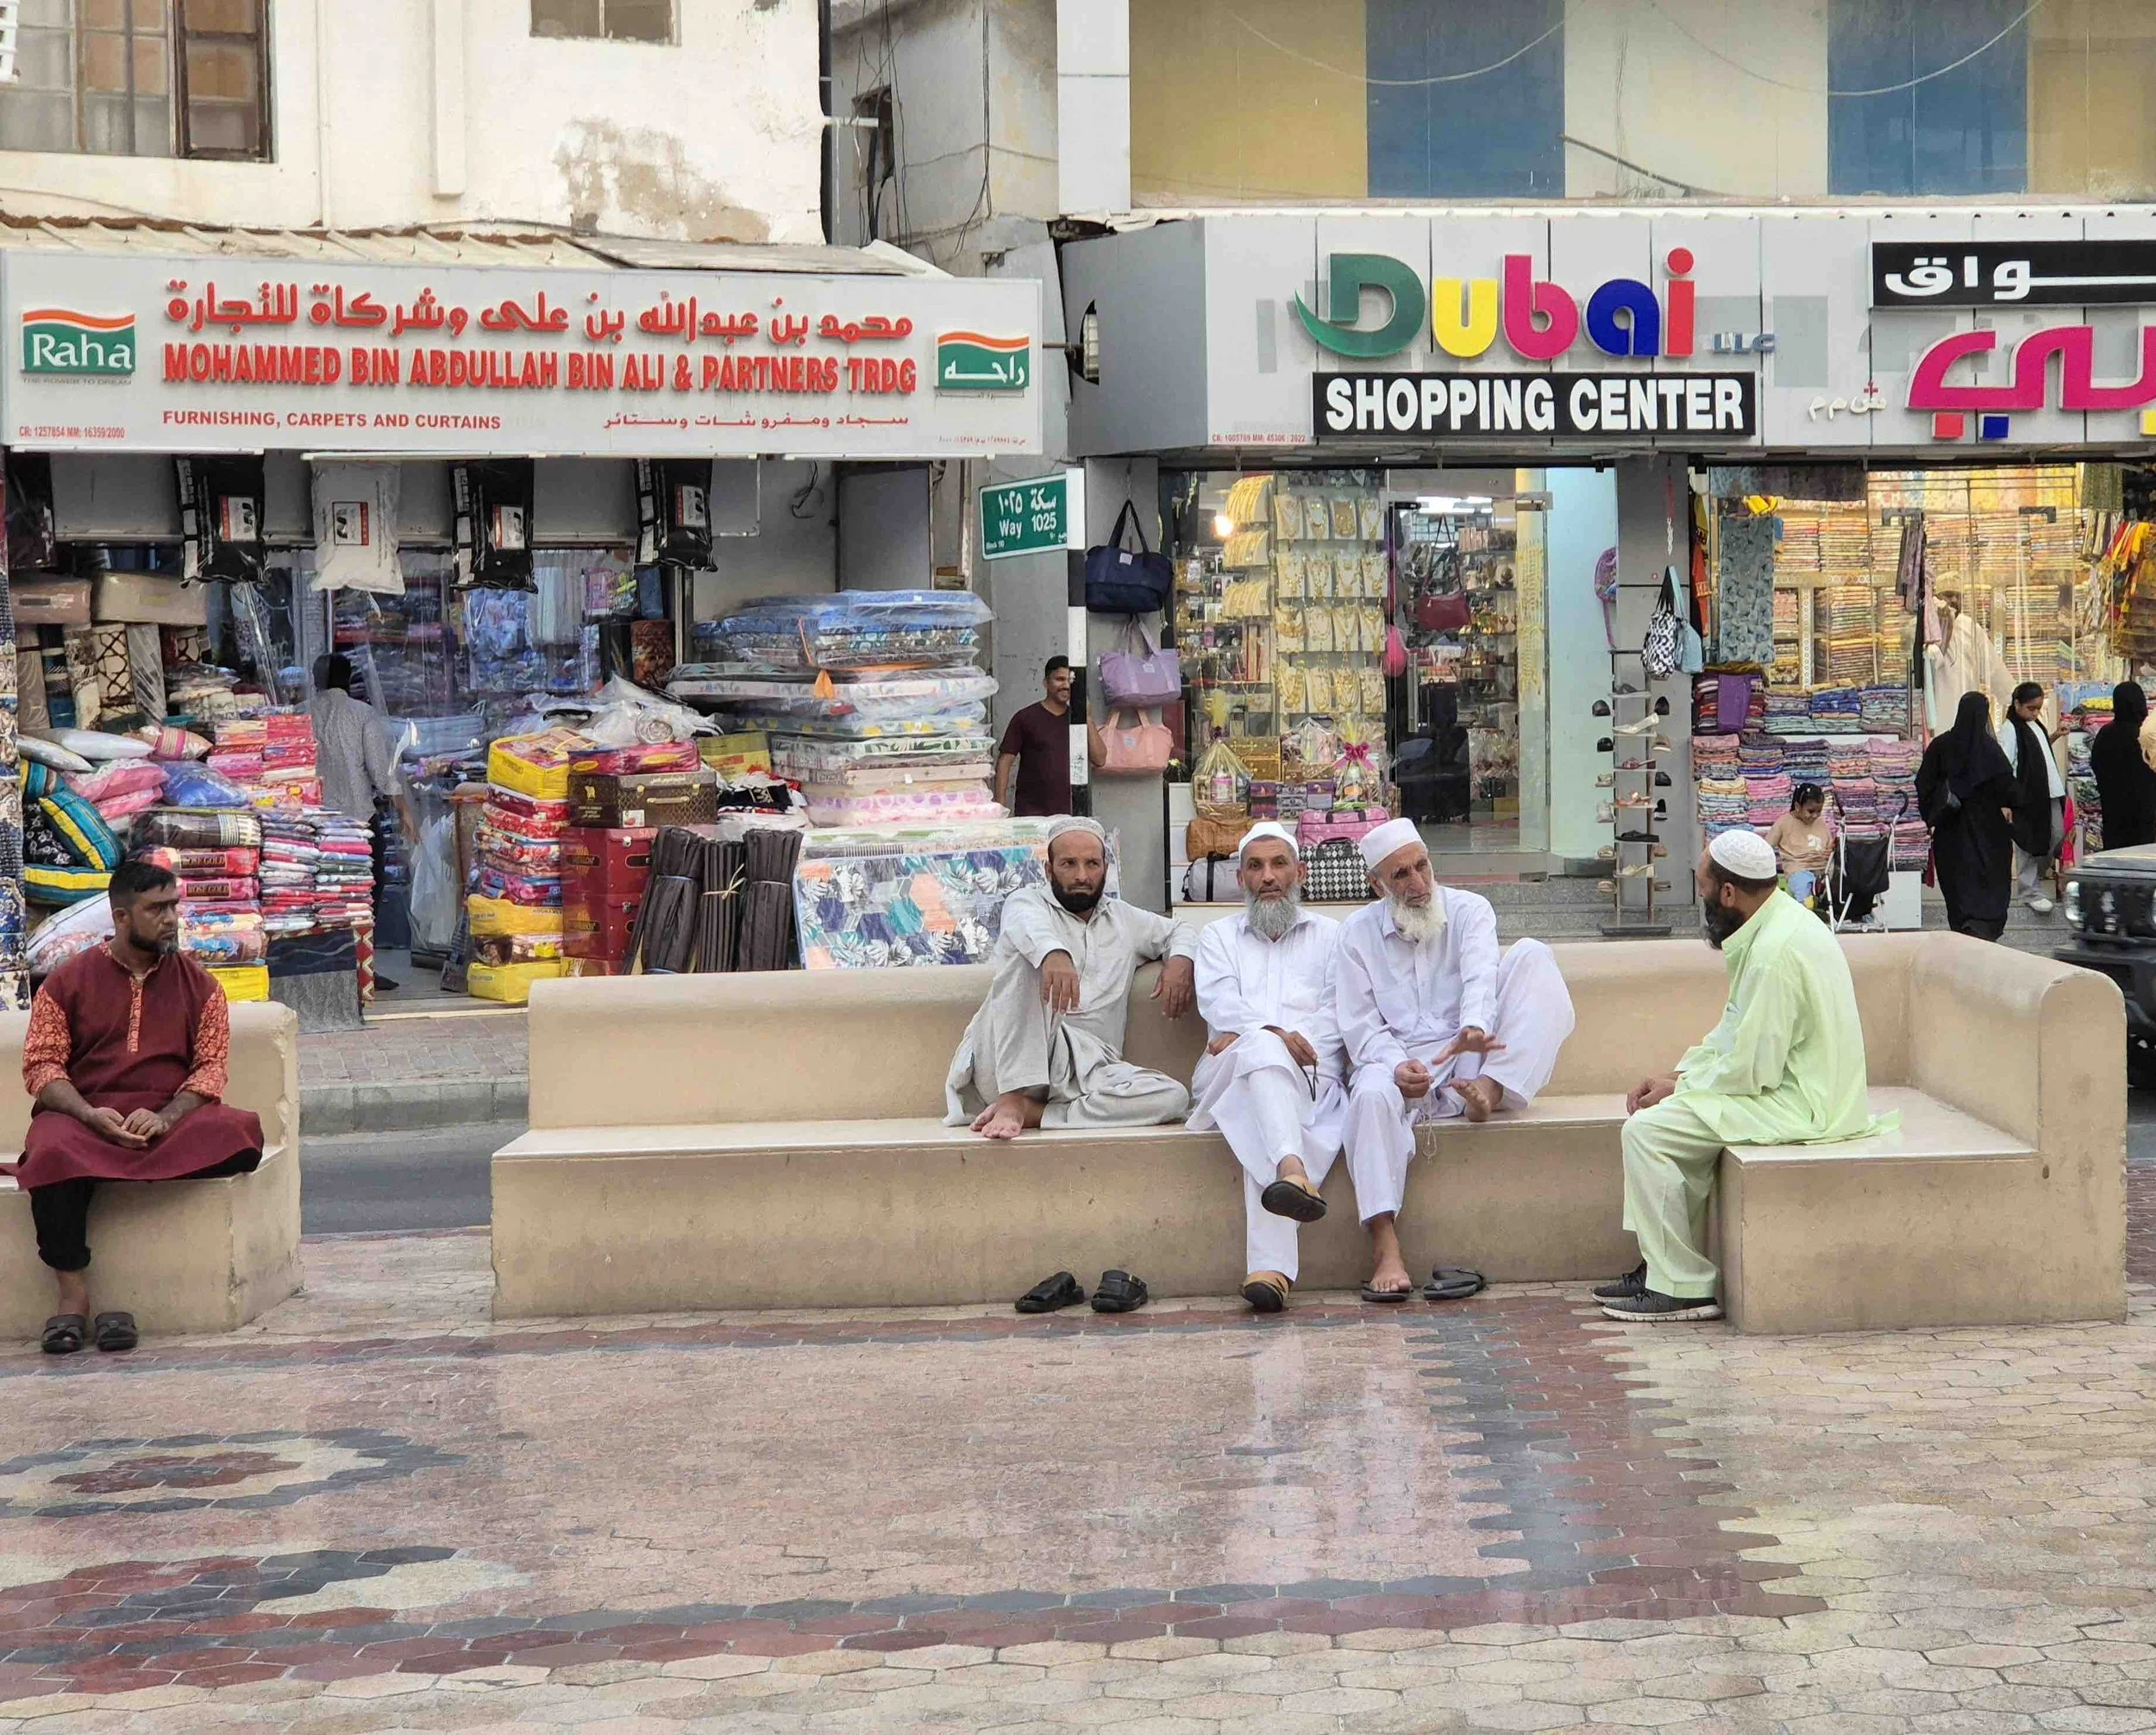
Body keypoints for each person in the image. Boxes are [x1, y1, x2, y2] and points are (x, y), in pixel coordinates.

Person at [1598, 830, 1889, 1324]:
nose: (1704, 900)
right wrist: (1679, 1076)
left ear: (1728, 893)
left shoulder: (1777, 951)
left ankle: (1682, 1287)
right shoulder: (1776, 924)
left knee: (1647, 1133)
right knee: (1666, 1118)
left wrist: (1683, 1090)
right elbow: (1734, 1029)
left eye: (1704, 888)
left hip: (1804, 1104)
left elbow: (1754, 1069)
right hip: (1792, 1089)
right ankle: (1661, 1270)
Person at [7, 859, 267, 1356]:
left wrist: (166, 1117)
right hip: (87, 1118)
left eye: (174, 906)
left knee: (239, 1133)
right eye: (157, 909)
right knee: (51, 1151)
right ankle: (73, 1296)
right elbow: (41, 1069)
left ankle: (125, 1159)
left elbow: (210, 1069)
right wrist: (89, 1115)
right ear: (121, 917)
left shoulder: (202, 986)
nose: (171, 918)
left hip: (166, 1121)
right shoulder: (66, 982)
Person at [1333, 817, 1577, 1300]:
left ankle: (1489, 1093)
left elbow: (1481, 977)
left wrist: (1474, 1030)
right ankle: (1385, 1243)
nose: (1418, 883)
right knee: (1367, 1095)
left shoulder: (1470, 910)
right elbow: (1360, 1024)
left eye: (1421, 866)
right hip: (1399, 1069)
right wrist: (1395, 1064)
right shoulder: (1355, 935)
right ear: (1377, 884)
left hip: (1472, 1060)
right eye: (1400, 875)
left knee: (1532, 956)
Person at [945, 816, 1197, 1138]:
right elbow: (1027, 928)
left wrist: (1179, 961)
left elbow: (1181, 930)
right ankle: (1012, 1097)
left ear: (1106, 868)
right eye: (1068, 864)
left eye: (1092, 863)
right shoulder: (1027, 903)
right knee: (1025, 961)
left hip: (1086, 1070)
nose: (1082, 875)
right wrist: (1053, 953)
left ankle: (1037, 1113)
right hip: (1007, 1062)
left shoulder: (1125, 920)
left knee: (1173, 1098)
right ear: (1048, 870)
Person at [1188, 823, 1346, 1314]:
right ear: (1240, 878)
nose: (1268, 876)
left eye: (1279, 864)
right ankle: (1292, 1169)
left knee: (1260, 1070)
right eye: (1255, 867)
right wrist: (1278, 1036)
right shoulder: (1216, 936)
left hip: (1308, 1075)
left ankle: (1272, 1266)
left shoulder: (1332, 936)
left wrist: (1265, 1038)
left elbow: (1338, 1011)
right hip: (1223, 1075)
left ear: (1299, 872)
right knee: (1260, 1052)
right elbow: (1219, 1006)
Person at [309, 654, 417, 990]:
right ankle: (362, 971)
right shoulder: (362, 715)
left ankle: (327, 969)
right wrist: (405, 813)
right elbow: (383, 775)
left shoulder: (303, 714)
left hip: (314, 824)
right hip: (357, 821)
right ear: (348, 679)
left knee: (323, 898)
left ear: (315, 682)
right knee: (364, 898)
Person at [1918, 691, 2023, 942]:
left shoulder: (1941, 746)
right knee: (1990, 879)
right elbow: (2010, 790)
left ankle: (1965, 927)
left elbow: (1923, 784)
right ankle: (1984, 928)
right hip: (1989, 833)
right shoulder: (1991, 751)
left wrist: (1934, 811)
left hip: (1952, 832)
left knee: (1958, 881)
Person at [994, 658, 1106, 817]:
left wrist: (1086, 717)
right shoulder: (1025, 718)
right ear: (1046, 683)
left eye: (1070, 681)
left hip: (1072, 814)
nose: (1066, 686)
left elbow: (1100, 759)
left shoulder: (1078, 722)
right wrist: (1000, 808)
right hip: (1032, 814)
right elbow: (1005, 762)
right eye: (1059, 679)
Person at [1999, 680, 2067, 913]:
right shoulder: (2010, 728)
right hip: (2027, 796)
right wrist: (2005, 801)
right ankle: (2029, 890)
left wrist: (2055, 736)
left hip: (2048, 792)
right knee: (2027, 842)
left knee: (2055, 834)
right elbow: (2005, 765)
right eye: (2031, 708)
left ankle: (2037, 879)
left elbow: (2037, 750)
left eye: (2038, 708)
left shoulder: (2034, 724)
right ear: (2017, 704)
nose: (2035, 712)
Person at [2091, 680, 2156, 852]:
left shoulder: (2105, 733)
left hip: (2114, 809)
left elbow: (2096, 765)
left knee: (2116, 855)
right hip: (2147, 809)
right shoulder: (2148, 734)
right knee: (2144, 856)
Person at [1764, 783, 1833, 909]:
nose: (1815, 816)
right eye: (1811, 811)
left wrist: (1831, 852)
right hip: (1798, 870)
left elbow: (1830, 846)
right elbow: (1764, 848)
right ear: (1797, 806)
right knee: (1806, 899)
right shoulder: (1783, 823)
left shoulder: (1820, 823)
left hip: (1823, 871)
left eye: (1819, 812)